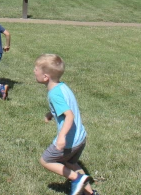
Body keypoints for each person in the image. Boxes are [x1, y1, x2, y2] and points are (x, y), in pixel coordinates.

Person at [34, 54, 96, 195]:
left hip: (69, 142)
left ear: (45, 77)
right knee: (71, 164)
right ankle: (90, 193)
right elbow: (65, 107)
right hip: (80, 138)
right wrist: (52, 113)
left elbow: (69, 115)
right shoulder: (62, 87)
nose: (34, 71)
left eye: (36, 69)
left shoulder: (54, 94)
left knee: (46, 160)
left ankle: (76, 178)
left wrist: (61, 137)